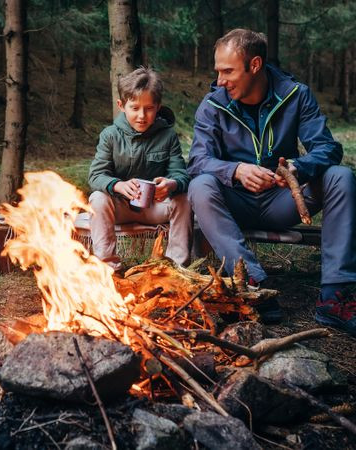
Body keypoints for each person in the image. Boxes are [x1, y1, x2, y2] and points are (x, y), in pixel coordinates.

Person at [188, 28, 356, 332]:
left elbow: (328, 148)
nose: (220, 80)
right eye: (218, 71)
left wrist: (297, 168)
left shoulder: (295, 94)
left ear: (254, 65)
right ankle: (252, 284)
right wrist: (236, 170)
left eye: (228, 71)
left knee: (340, 177)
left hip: (285, 201)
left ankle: (335, 296)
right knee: (200, 185)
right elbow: (198, 162)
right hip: (234, 203)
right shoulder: (213, 105)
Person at [88, 67, 192, 272]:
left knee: (184, 198)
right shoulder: (110, 135)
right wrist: (117, 186)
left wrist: (171, 184)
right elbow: (95, 175)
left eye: (149, 108)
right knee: (97, 199)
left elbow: (181, 175)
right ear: (121, 106)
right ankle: (108, 269)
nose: (142, 116)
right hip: (121, 208)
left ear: (158, 107)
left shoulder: (167, 136)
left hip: (156, 207)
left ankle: (176, 269)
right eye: (134, 108)